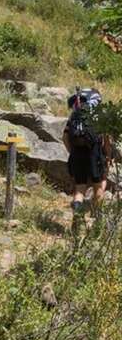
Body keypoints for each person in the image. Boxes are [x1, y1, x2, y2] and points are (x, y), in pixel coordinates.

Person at [63, 88, 110, 237]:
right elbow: (107, 139)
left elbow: (64, 137)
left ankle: (77, 223)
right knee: (99, 186)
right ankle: (98, 223)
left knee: (79, 189)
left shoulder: (74, 116)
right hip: (94, 154)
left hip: (77, 154)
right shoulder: (98, 116)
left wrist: (72, 152)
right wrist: (107, 156)